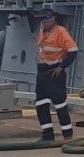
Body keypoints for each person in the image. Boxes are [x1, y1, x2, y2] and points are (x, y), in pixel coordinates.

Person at [33, 9, 78, 143]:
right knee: (41, 105)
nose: (44, 21)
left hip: (54, 75)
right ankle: (47, 135)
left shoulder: (61, 32)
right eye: (43, 19)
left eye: (46, 19)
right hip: (42, 75)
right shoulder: (43, 31)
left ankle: (67, 135)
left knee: (60, 105)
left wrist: (61, 66)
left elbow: (73, 50)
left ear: (53, 18)